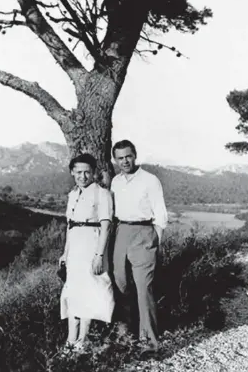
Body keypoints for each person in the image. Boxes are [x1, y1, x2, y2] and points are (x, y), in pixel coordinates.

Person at [111, 140, 168, 359]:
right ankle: (128, 334)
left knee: (144, 289)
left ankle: (149, 344)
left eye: (128, 156)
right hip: (122, 232)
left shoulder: (150, 180)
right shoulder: (116, 181)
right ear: (115, 160)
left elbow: (160, 214)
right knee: (120, 282)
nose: (124, 161)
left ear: (135, 156)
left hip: (144, 233)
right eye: (120, 158)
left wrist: (154, 241)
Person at [59, 153, 115, 351]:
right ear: (72, 173)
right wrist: (65, 253)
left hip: (92, 247)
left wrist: (99, 255)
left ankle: (82, 341)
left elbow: (106, 226)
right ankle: (70, 340)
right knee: (73, 291)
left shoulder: (102, 194)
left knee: (89, 292)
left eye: (87, 172)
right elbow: (70, 226)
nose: (83, 176)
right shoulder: (73, 195)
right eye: (79, 172)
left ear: (94, 173)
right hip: (75, 248)